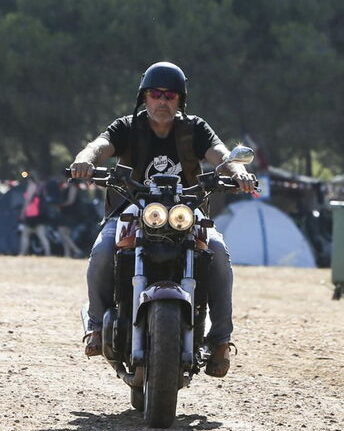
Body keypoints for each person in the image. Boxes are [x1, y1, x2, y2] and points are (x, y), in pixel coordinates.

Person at [70, 61, 256, 378]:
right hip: (132, 209)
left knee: (218, 252)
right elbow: (98, 146)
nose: (162, 101)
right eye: (155, 94)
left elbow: (222, 155)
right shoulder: (127, 127)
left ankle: (220, 341)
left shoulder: (195, 129)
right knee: (102, 250)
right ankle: (96, 327)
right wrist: (83, 160)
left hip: (185, 210)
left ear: (180, 99)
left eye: (170, 95)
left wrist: (239, 172)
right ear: (144, 97)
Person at [18, 172, 52, 256]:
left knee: (25, 235)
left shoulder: (31, 186)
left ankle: (22, 253)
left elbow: (28, 200)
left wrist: (22, 212)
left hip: (32, 214)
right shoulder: (39, 187)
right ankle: (48, 253)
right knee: (41, 235)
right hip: (39, 214)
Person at [54, 179, 84, 258]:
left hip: (69, 213)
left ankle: (77, 250)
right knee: (65, 235)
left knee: (62, 234)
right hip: (67, 213)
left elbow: (70, 201)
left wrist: (60, 205)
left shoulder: (73, 188)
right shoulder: (68, 187)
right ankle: (67, 254)